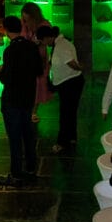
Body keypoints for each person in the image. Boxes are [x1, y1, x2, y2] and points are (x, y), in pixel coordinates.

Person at [0, 14, 43, 187]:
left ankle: (16, 174)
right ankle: (30, 167)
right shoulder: (31, 46)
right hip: (28, 97)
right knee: (28, 134)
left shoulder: (10, 51)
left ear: (6, 31)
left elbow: (7, 78)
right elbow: (39, 70)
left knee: (15, 138)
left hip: (12, 100)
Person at [38, 24, 83, 152]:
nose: (44, 44)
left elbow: (71, 62)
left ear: (48, 38)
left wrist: (80, 68)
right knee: (70, 112)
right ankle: (72, 137)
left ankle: (62, 142)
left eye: (43, 41)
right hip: (70, 82)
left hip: (70, 83)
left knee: (65, 113)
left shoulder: (61, 46)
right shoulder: (60, 44)